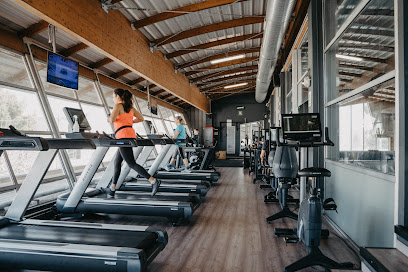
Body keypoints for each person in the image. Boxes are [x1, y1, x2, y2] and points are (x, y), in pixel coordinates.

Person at [106, 88, 160, 197]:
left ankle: (153, 181)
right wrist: (129, 121)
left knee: (131, 163)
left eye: (113, 96)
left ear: (118, 96)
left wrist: (109, 118)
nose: (113, 98)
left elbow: (111, 120)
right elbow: (141, 118)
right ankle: (112, 188)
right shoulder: (130, 108)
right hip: (129, 135)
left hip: (122, 137)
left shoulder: (118, 106)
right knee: (117, 162)